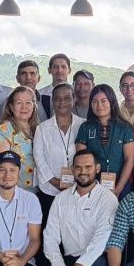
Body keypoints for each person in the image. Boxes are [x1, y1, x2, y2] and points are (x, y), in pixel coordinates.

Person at [35, 149, 118, 266]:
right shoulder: (61, 199)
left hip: (95, 260)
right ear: (72, 170)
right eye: (78, 167)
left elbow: (103, 238)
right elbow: (49, 237)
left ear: (97, 168)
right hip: (68, 260)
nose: (83, 171)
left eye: (88, 167)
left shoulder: (107, 199)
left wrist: (82, 264)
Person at [75, 84, 134, 199]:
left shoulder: (125, 128)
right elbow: (81, 160)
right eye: (94, 102)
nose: (99, 105)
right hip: (93, 186)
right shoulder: (85, 127)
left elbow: (129, 160)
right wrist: (91, 187)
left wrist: (118, 189)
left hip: (121, 185)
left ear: (112, 102)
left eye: (104, 101)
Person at [34, 83, 85, 215]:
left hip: (78, 189)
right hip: (49, 191)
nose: (62, 102)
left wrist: (76, 182)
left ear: (74, 100)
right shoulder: (42, 128)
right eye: (57, 98)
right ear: (52, 101)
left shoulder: (83, 125)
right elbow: (39, 159)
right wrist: (55, 182)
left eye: (67, 98)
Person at [0, 86, 40, 192]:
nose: (24, 107)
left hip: (33, 190)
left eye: (28, 103)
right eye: (19, 103)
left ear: (34, 106)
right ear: (11, 107)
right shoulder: (4, 130)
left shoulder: (38, 128)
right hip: (10, 191)